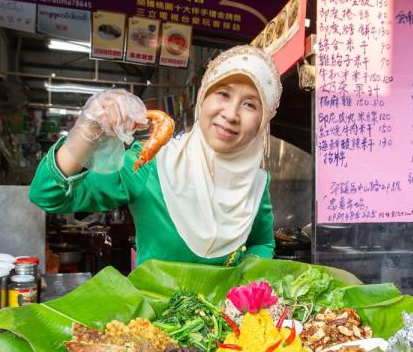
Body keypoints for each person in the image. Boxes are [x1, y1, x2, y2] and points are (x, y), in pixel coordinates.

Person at [30, 45, 279, 266]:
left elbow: (261, 244)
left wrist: (243, 290)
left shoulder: (256, 183)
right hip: (150, 317)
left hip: (227, 317)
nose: (231, 113)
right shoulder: (151, 162)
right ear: (203, 99)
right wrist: (88, 128)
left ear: (262, 122)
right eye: (223, 94)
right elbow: (47, 195)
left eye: (250, 104)